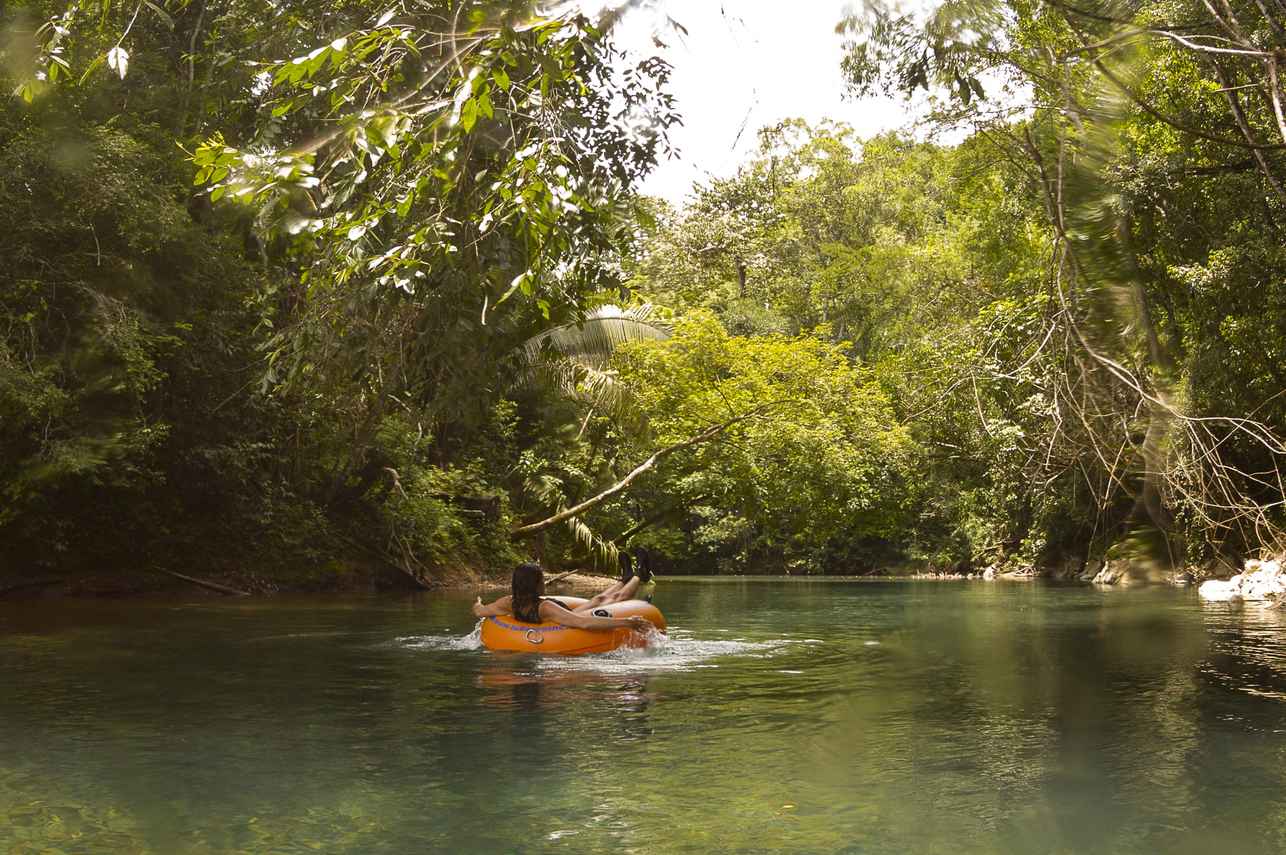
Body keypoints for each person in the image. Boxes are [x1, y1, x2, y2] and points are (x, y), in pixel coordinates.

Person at [472, 561, 654, 631]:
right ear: (534, 584)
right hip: (560, 618)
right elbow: (583, 623)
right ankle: (640, 575)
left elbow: (480, 611)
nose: (544, 584)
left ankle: (625, 578)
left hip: (558, 615)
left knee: (598, 599)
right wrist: (629, 622)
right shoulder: (545, 607)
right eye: (541, 580)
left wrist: (479, 602)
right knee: (612, 601)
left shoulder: (508, 602)